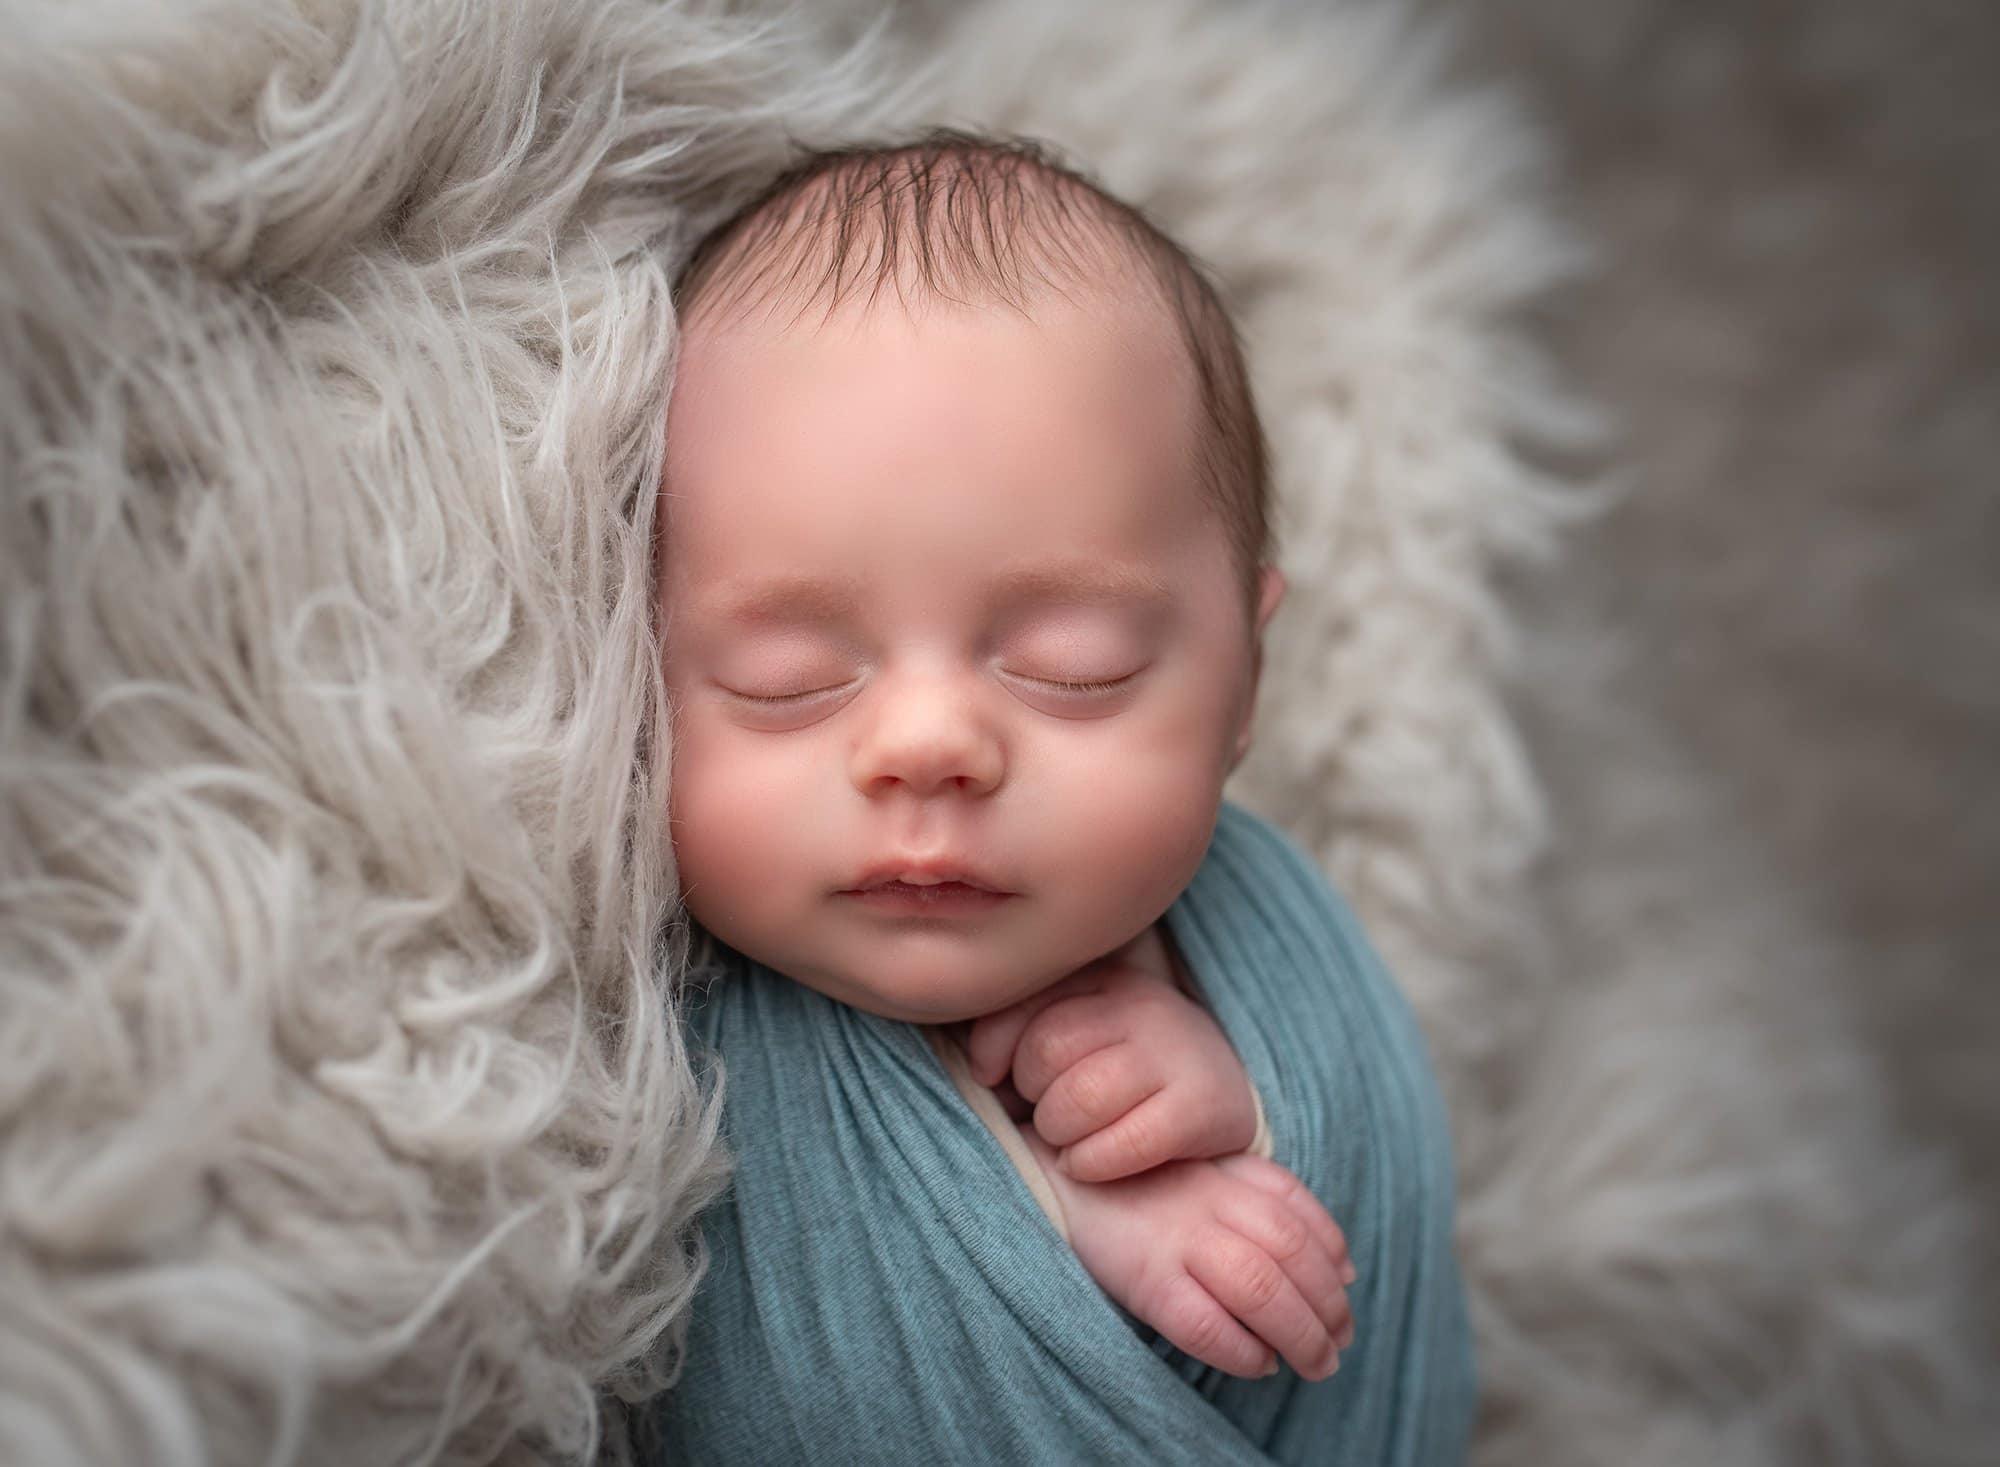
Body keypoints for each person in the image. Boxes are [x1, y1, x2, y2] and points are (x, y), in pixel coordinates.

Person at [641, 132, 1474, 1465]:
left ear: (1245, 677)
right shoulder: (635, 1038)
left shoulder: (1263, 941)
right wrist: (1079, 1218)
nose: (926, 746)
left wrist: (1250, 1113)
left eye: (1071, 670)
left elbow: (1363, 1197)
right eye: (785, 679)